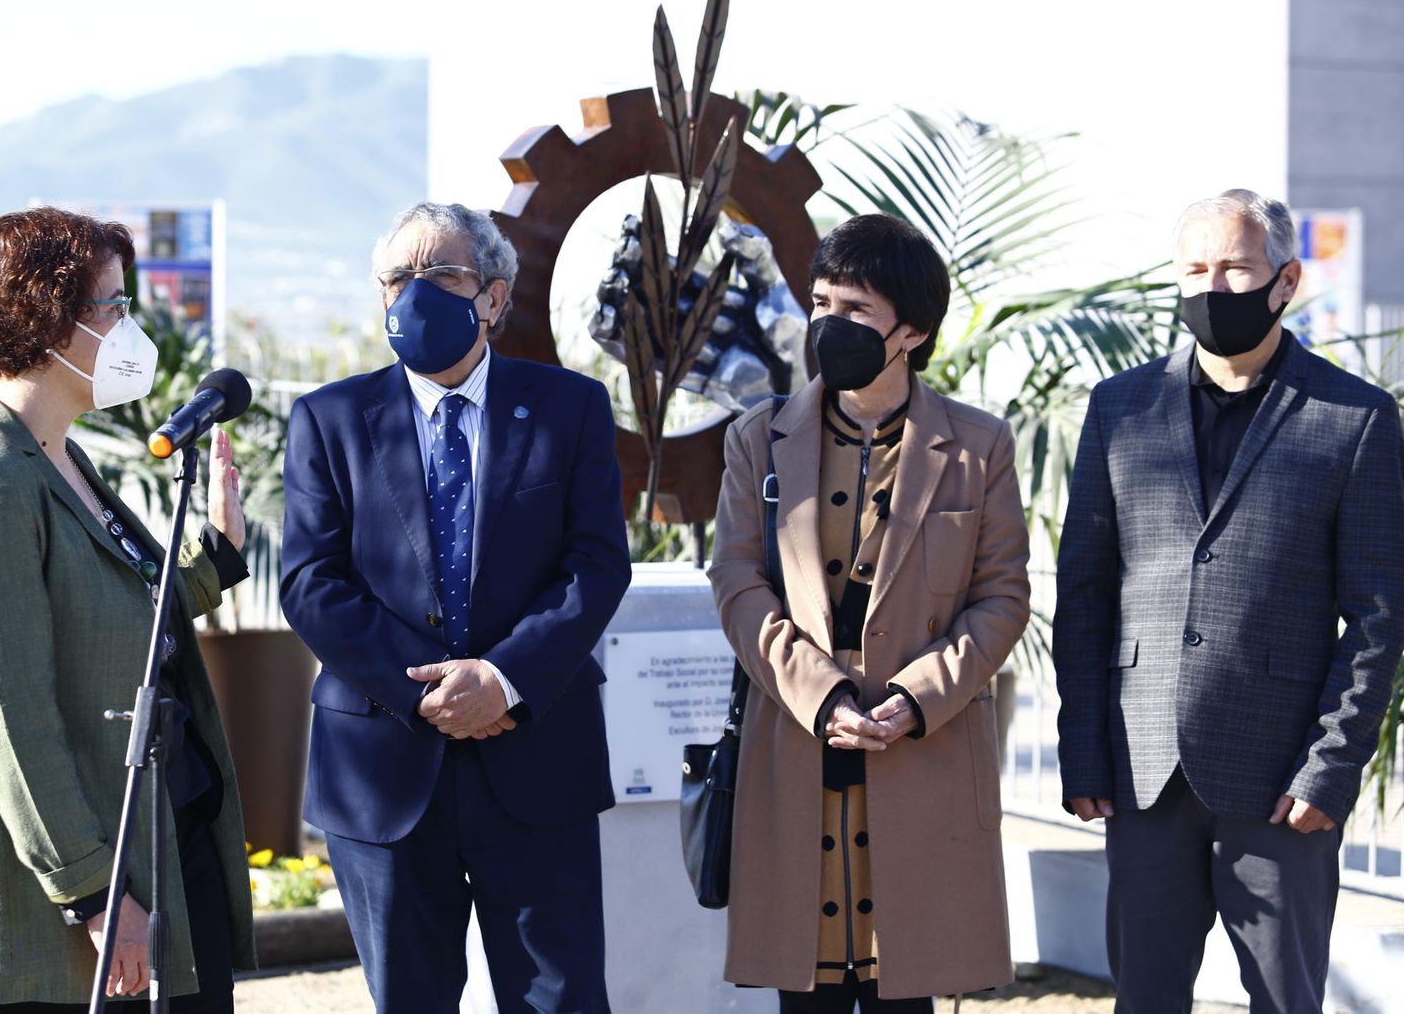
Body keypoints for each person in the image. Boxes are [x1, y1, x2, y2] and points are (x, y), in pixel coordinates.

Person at [1054, 189, 1404, 1012]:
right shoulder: (1119, 408)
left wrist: (1329, 771)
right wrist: (1084, 753)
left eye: (1235, 268)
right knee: (1145, 998)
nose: (1213, 287)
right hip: (1143, 776)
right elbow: (1086, 592)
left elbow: (1379, 615)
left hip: (1282, 784)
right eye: (1195, 270)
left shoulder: (1354, 417)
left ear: (1284, 281)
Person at [280, 202, 632, 1013]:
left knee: (561, 1000)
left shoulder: (568, 407)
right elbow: (311, 582)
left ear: (495, 298)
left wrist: (502, 680)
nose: (413, 293)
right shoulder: (328, 419)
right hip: (384, 767)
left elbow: (596, 564)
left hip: (537, 757)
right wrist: (429, 692)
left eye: (439, 275)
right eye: (396, 278)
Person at [0, 207, 257, 1011]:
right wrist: (94, 893)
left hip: (159, 840)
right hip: (62, 905)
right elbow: (10, 712)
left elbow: (110, 610)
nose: (131, 329)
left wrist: (214, 556)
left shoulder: (61, 455)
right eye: (115, 305)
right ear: (48, 318)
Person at [708, 214, 1030, 1012]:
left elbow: (1002, 596)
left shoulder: (980, 445)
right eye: (820, 302)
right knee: (806, 994)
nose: (828, 325)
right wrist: (821, 695)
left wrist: (915, 700)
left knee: (905, 987)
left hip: (917, 746)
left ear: (911, 331)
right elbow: (738, 584)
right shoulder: (758, 439)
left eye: (855, 310)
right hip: (797, 737)